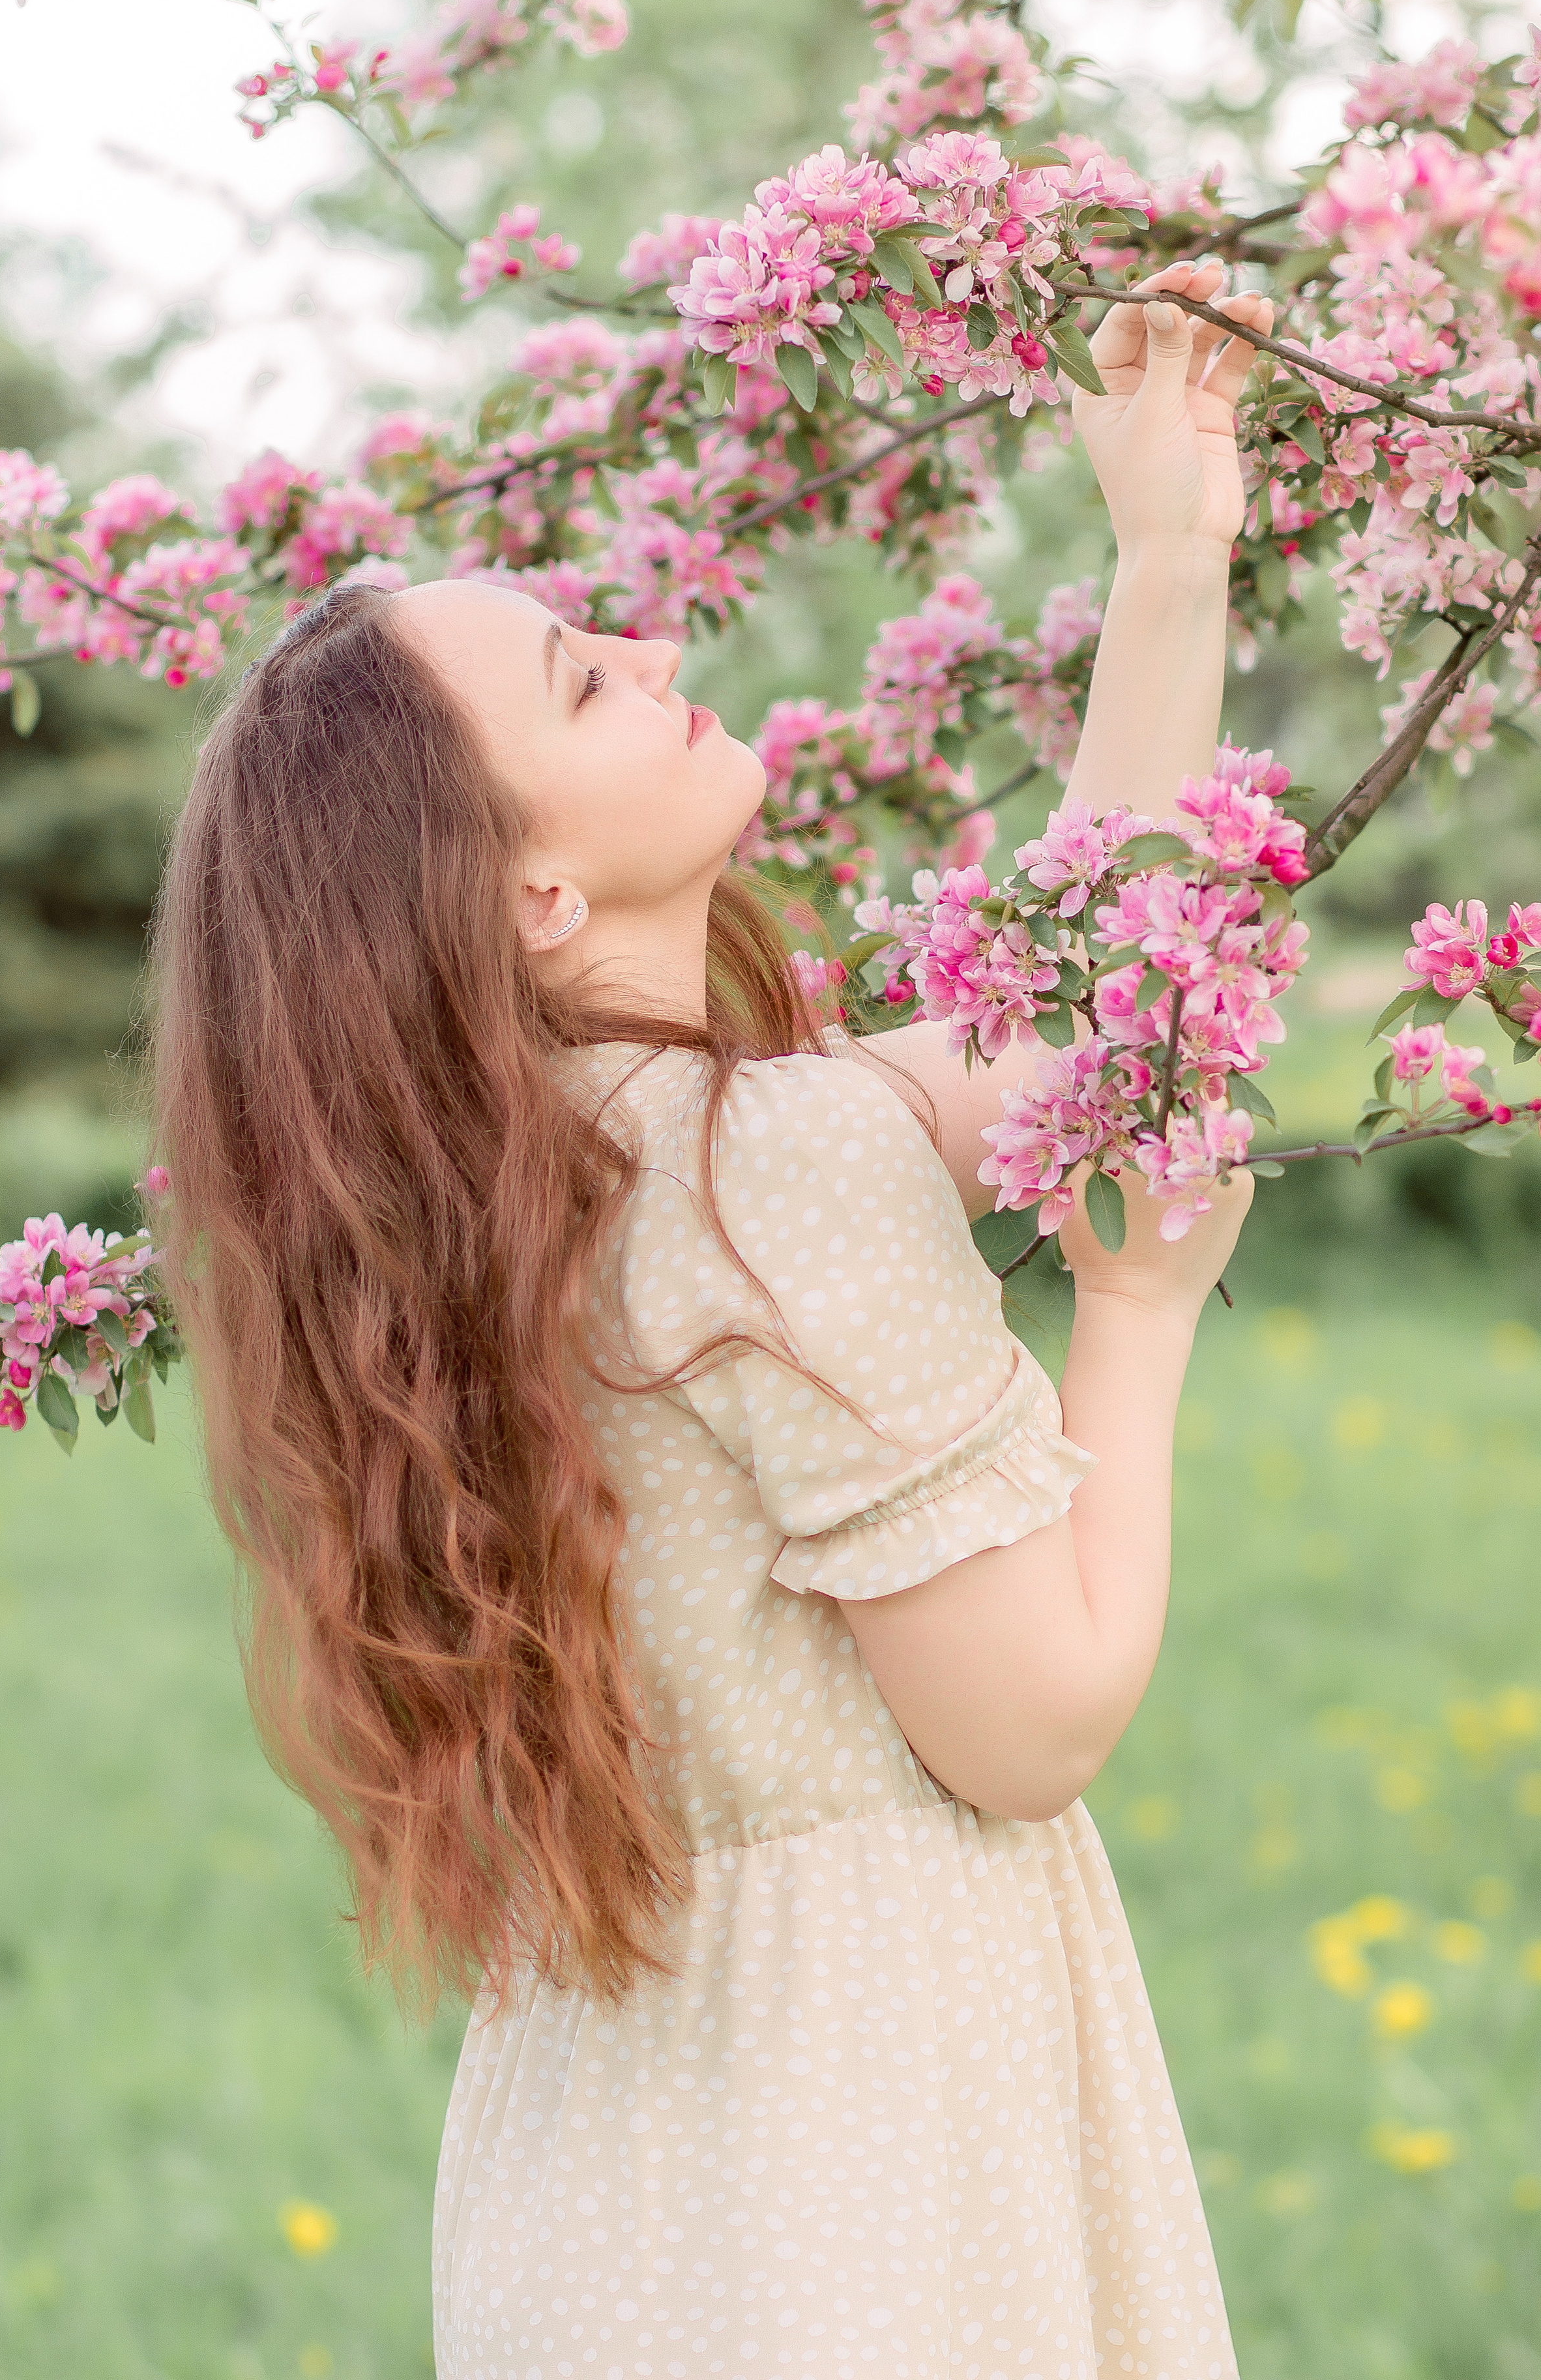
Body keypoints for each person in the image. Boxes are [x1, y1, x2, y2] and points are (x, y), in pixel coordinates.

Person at [151, 257, 1274, 2379]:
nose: (657, 649)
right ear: (535, 895)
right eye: (585, 682)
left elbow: (1094, 1017)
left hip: (611, 2188)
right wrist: (1134, 1310)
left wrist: (1168, 560)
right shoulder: (773, 1170)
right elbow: (1034, 1721)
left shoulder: (499, 1207)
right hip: (873, 2174)